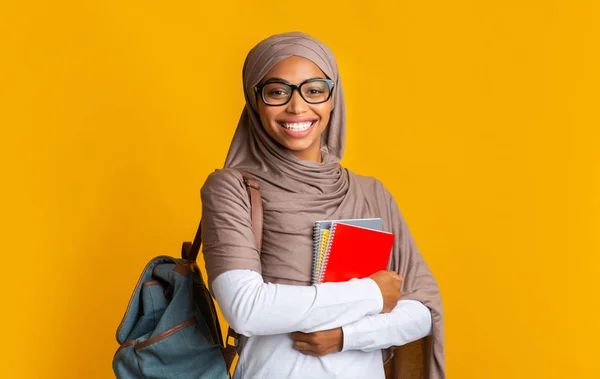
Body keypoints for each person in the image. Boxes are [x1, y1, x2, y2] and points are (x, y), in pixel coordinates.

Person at [200, 32, 445, 379]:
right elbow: (246, 309)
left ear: (333, 98)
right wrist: (372, 293)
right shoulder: (232, 188)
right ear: (255, 101)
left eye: (314, 90)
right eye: (277, 91)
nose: (297, 107)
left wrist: (346, 337)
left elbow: (422, 310)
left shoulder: (369, 193)